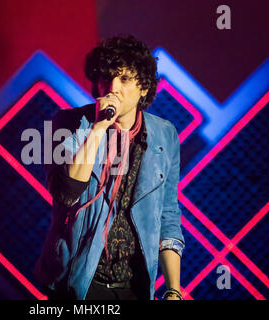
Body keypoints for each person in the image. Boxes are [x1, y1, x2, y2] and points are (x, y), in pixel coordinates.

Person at [34, 35, 185, 300]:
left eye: (124, 79)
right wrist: (98, 128)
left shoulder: (165, 135)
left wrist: (173, 288)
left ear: (144, 87)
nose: (112, 87)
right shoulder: (69, 123)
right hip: (78, 279)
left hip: (134, 284)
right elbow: (67, 193)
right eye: (106, 78)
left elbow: (168, 214)